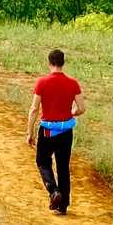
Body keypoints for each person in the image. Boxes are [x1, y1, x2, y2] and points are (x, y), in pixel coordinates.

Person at [29, 47, 83, 215]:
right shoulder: (73, 83)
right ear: (63, 63)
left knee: (43, 162)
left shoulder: (42, 82)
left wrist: (29, 132)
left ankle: (53, 191)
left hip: (47, 131)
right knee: (63, 167)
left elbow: (34, 109)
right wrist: (71, 113)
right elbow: (81, 108)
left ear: (49, 63)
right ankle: (63, 205)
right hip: (66, 131)